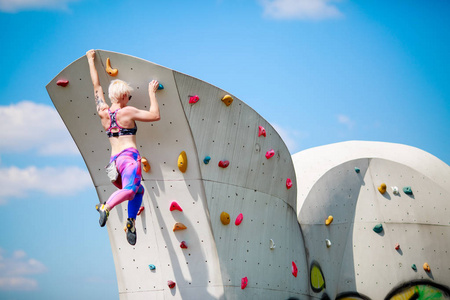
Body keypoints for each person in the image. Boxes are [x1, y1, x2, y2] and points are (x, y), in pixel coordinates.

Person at [86, 49, 161, 245]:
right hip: (129, 159)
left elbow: (96, 85)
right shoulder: (127, 112)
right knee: (130, 191)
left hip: (114, 165)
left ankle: (130, 222)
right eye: (128, 96)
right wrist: (152, 94)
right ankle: (106, 207)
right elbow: (155, 115)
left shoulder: (103, 111)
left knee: (139, 191)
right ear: (124, 96)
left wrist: (90, 60)